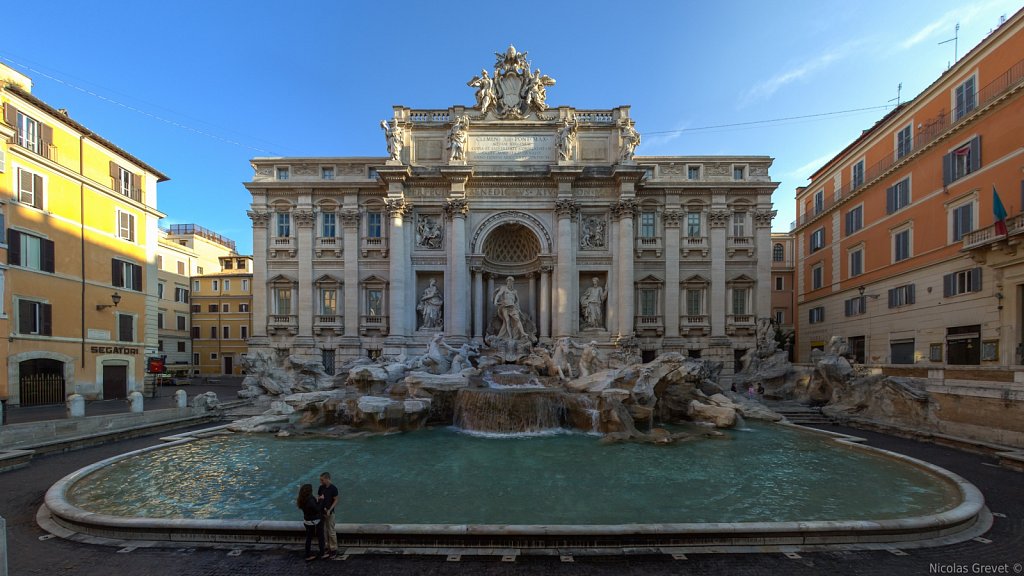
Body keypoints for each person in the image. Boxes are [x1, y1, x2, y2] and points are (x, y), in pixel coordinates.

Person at [493, 276, 528, 341]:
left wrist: (518, 307)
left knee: (517, 319)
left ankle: (523, 332)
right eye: (509, 281)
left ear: (513, 282)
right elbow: (498, 295)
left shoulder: (514, 291)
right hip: (505, 307)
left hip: (512, 307)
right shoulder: (503, 288)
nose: (510, 282)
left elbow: (517, 300)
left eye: (511, 281)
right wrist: (495, 301)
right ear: (507, 281)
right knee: (507, 321)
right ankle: (510, 336)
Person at [296, 483, 324, 561]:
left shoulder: (301, 499)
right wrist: (321, 500)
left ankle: (307, 555)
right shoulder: (310, 499)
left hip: (306, 521)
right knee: (321, 537)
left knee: (308, 538)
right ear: (309, 491)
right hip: (315, 521)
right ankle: (322, 553)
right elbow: (317, 509)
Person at [316, 472, 339, 558]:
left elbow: (336, 500)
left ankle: (333, 549)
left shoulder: (333, 488)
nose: (320, 481)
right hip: (322, 512)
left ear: (327, 479)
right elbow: (318, 497)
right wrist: (319, 498)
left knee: (331, 531)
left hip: (330, 512)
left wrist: (330, 509)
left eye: (322, 479)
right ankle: (326, 547)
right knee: (324, 530)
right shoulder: (321, 487)